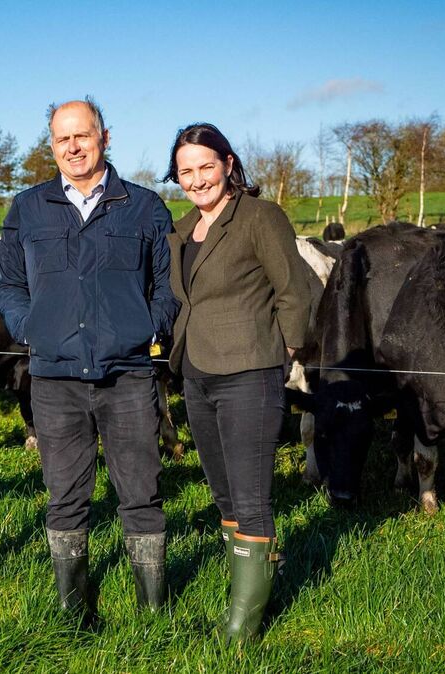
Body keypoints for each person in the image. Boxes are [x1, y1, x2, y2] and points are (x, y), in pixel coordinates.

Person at [0, 99, 179, 617]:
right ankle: (74, 611)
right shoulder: (27, 209)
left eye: (82, 136)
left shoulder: (143, 206)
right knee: (66, 495)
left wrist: (148, 328)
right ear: (51, 145)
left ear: (105, 137)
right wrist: (30, 328)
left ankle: (152, 613)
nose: (73, 147)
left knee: (141, 491)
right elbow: (9, 283)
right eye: (62, 139)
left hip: (127, 375)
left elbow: (167, 285)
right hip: (54, 380)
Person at [161, 122, 311, 643]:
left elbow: (296, 289)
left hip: (250, 372)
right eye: (186, 171)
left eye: (206, 166)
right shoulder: (182, 229)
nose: (197, 179)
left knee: (251, 496)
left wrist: (284, 352)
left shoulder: (259, 217)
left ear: (228, 164)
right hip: (197, 375)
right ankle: (242, 587)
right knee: (224, 494)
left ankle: (242, 627)